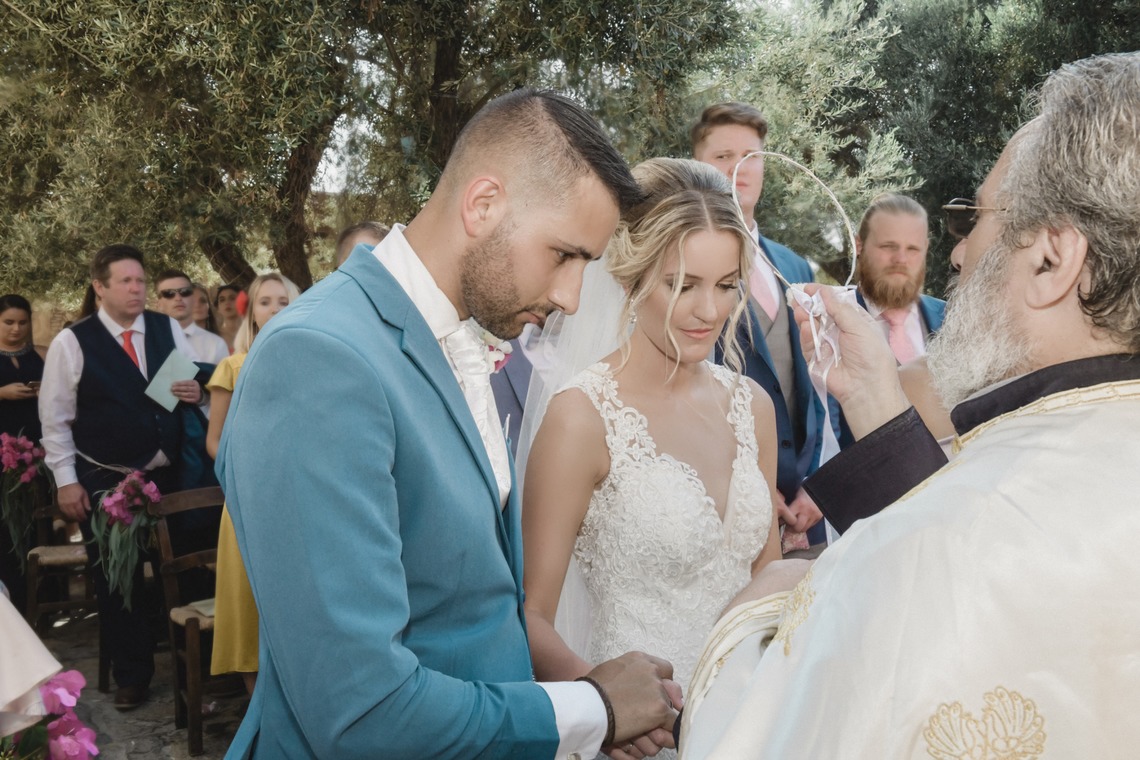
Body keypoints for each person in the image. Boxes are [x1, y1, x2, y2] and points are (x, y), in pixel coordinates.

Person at [678, 52, 1140, 758]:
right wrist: (872, 398)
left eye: (972, 218)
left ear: (1052, 260)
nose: (956, 256)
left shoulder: (955, 539)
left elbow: (768, 727)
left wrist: (767, 600)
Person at [217, 89, 680, 759]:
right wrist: (591, 710)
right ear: (482, 204)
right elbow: (360, 711)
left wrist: (586, 695)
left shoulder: (454, 339)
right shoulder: (317, 360)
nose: (572, 298)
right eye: (564, 255)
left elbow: (469, 609)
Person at [521, 158, 782, 760]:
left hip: (751, 725)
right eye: (682, 284)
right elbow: (531, 616)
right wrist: (607, 705)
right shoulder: (582, 417)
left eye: (725, 286)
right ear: (632, 274)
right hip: (641, 740)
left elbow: (767, 581)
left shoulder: (753, 407)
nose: (709, 312)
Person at [38, 244, 208, 711]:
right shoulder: (72, 342)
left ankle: (200, 665)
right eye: (126, 282)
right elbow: (55, 421)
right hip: (105, 476)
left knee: (189, 563)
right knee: (119, 578)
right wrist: (66, 481)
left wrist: (193, 389)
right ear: (100, 287)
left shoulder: (165, 326)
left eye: (141, 281)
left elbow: (183, 383)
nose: (138, 290)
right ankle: (132, 675)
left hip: (171, 472)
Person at [691, 102, 825, 550]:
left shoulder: (794, 264)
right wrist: (756, 492)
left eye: (751, 155)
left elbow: (819, 382)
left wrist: (817, 486)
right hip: (723, 506)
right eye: (723, 156)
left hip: (805, 509)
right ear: (698, 167)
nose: (740, 168)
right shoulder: (684, 265)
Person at [204, 272, 298, 696]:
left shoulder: (311, 363)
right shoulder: (233, 366)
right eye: (265, 302)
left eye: (283, 301)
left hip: (300, 500)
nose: (274, 309)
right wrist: (251, 472)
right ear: (251, 311)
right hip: (248, 500)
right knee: (247, 602)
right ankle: (256, 714)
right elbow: (214, 441)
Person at [852, 193, 945, 364]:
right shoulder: (825, 322)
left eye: (913, 249)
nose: (901, 259)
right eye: (888, 246)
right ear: (859, 246)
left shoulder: (950, 319)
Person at [0, 294, 47, 615]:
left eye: (22, 322)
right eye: (8, 322)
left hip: (37, 454)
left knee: (37, 523)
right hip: (2, 456)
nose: (16, 329)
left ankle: (40, 599)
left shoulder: (42, 355)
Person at [153, 270, 229, 366]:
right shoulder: (144, 343)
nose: (178, 298)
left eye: (185, 292)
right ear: (158, 304)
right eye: (169, 293)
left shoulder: (216, 344)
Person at [213, 283, 242, 350]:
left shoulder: (253, 333)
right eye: (222, 300)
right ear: (218, 308)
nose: (227, 302)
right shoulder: (214, 337)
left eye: (232, 298)